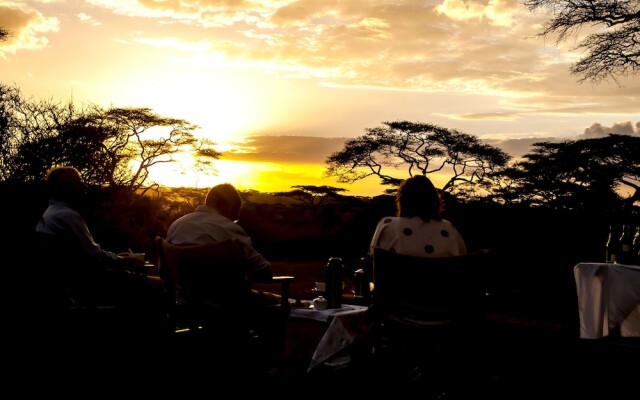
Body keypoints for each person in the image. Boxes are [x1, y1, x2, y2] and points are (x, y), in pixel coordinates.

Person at [35, 166, 160, 307]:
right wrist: (124, 260)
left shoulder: (51, 213)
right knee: (160, 285)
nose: (82, 186)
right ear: (63, 189)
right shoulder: (68, 216)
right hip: (92, 282)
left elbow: (85, 253)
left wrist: (119, 257)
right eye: (76, 182)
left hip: (75, 281)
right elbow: (95, 255)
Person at [166, 182, 279, 306]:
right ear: (225, 206)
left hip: (185, 303)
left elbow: (164, 271)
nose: (236, 217)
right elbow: (264, 270)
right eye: (235, 210)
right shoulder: (228, 228)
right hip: (227, 305)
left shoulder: (177, 225)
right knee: (273, 303)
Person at [369, 175, 467, 258]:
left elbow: (373, 260)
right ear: (434, 200)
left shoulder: (387, 225)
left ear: (403, 200)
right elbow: (462, 260)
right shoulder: (449, 228)